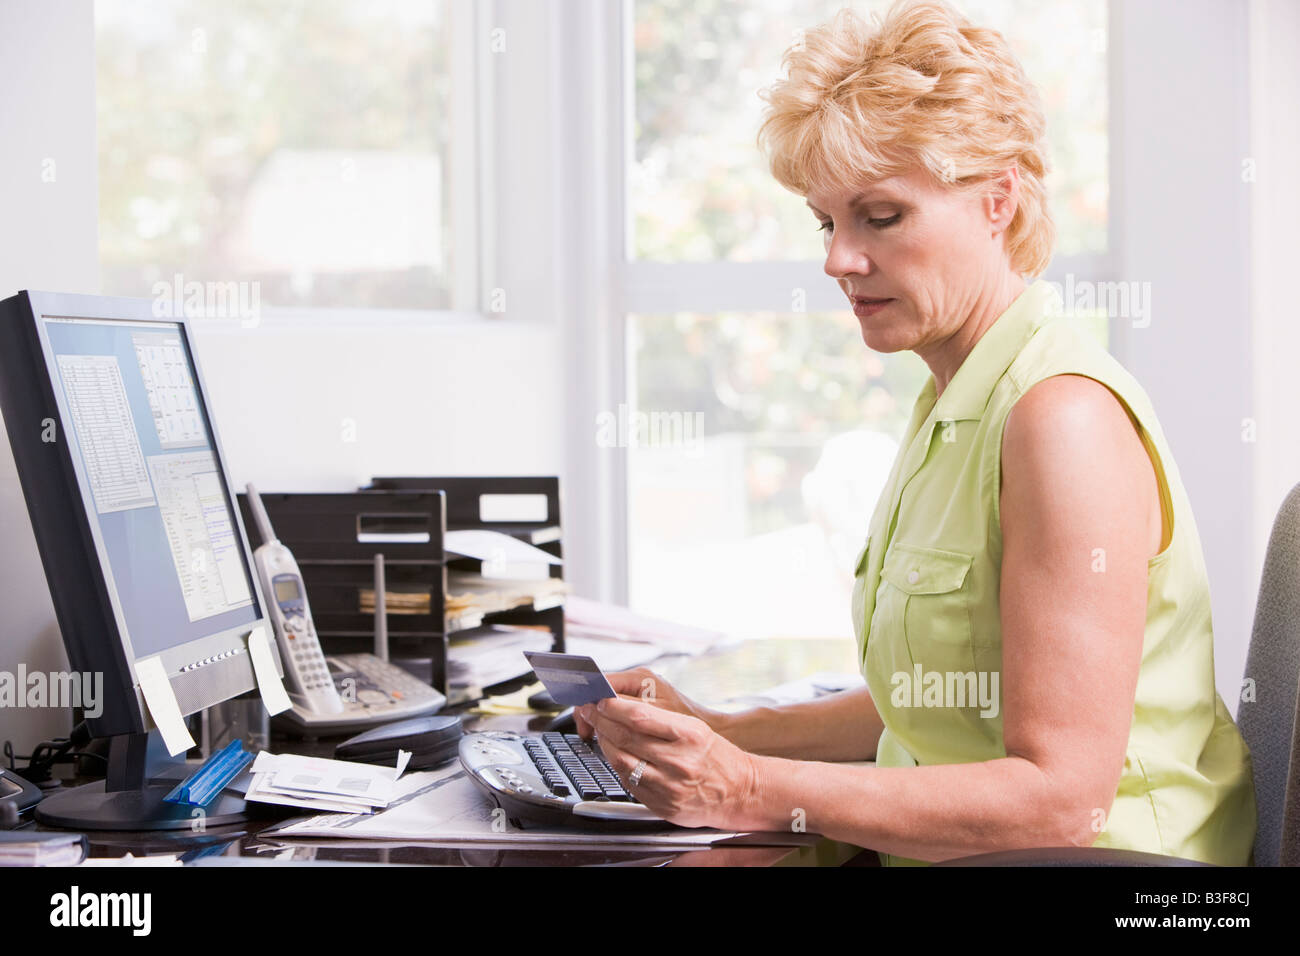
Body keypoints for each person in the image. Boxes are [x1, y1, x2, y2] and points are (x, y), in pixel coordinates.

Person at [576, 0, 1256, 866]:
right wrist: (723, 732)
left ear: (998, 199)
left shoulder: (1062, 422)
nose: (838, 259)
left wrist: (751, 788)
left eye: (881, 217)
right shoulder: (955, 399)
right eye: (828, 221)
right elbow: (935, 701)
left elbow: (1060, 804)